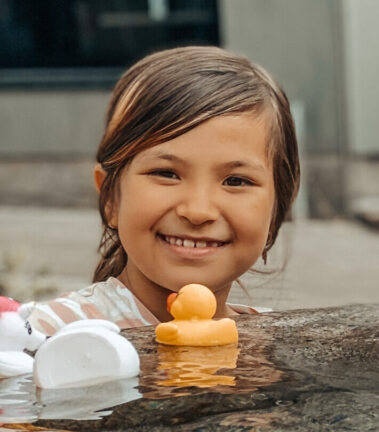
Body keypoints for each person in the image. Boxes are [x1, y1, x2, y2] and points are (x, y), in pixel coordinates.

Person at [29, 46, 300, 334]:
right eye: (166, 174)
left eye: (236, 181)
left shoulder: (278, 341)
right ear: (111, 198)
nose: (198, 211)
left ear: (275, 210)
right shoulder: (52, 333)